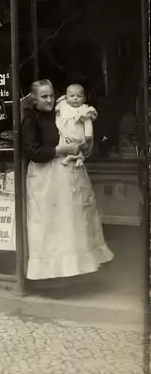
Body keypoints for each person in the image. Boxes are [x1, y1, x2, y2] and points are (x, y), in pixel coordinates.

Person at [21, 79, 114, 281]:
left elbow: (77, 134)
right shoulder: (31, 119)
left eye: (52, 95)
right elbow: (30, 151)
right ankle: (53, 277)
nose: (49, 100)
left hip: (70, 173)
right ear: (34, 98)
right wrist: (60, 150)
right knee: (52, 225)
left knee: (75, 223)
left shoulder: (61, 112)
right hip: (46, 178)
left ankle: (77, 271)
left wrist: (84, 145)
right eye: (44, 96)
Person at [55, 84, 98, 168]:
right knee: (64, 144)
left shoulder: (84, 110)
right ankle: (69, 157)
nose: (75, 98)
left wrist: (88, 134)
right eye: (72, 96)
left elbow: (87, 122)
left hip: (77, 132)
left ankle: (79, 157)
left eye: (79, 96)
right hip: (65, 132)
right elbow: (58, 114)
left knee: (77, 146)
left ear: (84, 99)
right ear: (66, 98)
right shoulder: (63, 106)